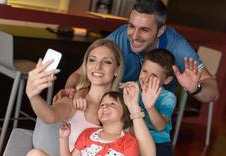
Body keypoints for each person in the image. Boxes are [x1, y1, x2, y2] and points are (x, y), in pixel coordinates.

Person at [24, 39, 156, 156]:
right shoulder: (74, 100)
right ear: (86, 66)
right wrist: (33, 96)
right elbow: (49, 116)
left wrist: (134, 108)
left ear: (117, 69)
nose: (97, 67)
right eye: (92, 60)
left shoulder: (124, 105)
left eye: (106, 62)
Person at [55, 0, 219, 104]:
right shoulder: (120, 35)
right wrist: (70, 89)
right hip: (115, 108)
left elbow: (213, 92)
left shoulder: (176, 45)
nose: (134, 36)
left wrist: (195, 88)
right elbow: (80, 74)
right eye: (131, 26)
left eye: (144, 30)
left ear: (160, 31)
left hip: (153, 116)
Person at [50, 91, 141, 156]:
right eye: (102, 104)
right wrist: (64, 138)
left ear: (125, 112)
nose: (105, 106)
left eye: (112, 104)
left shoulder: (129, 141)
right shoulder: (88, 133)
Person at [126, 49, 176, 156]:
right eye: (144, 71)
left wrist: (150, 106)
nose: (146, 78)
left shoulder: (168, 97)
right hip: (135, 148)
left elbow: (161, 126)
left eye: (154, 76)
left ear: (167, 80)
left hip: (160, 147)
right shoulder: (134, 88)